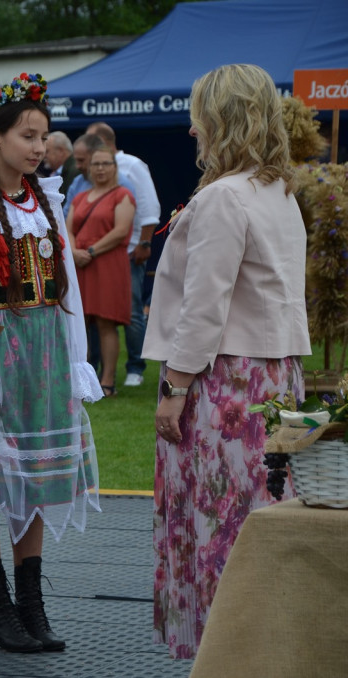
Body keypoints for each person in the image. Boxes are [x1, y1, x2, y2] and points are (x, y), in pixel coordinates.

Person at [143, 63, 310, 660]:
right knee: (261, 521)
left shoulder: (222, 197)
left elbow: (204, 304)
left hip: (226, 383)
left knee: (221, 526)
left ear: (221, 119)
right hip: (274, 378)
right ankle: (262, 647)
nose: (192, 131)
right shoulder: (279, 193)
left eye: (199, 118)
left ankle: (226, 654)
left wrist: (176, 384)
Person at [0, 73, 102, 655]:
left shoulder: (47, 199)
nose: (38, 147)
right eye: (28, 136)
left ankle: (31, 604)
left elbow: (70, 291)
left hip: (45, 351)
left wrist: (76, 358)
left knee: (31, 477)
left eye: (43, 136)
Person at [86, 121, 161, 388]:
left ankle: (136, 366)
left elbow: (150, 207)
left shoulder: (132, 165)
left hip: (129, 252)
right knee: (98, 314)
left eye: (92, 140)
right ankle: (94, 369)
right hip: (97, 257)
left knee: (131, 312)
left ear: (105, 141)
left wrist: (144, 242)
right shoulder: (90, 170)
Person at [67, 147, 135, 396]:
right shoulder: (79, 197)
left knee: (107, 323)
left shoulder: (123, 194)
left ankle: (107, 381)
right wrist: (73, 253)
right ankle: (82, 382)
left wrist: (91, 251)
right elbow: (69, 229)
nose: (100, 168)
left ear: (115, 167)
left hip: (107, 264)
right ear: (88, 168)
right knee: (79, 323)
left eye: (106, 163)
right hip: (80, 264)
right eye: (96, 164)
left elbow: (120, 231)